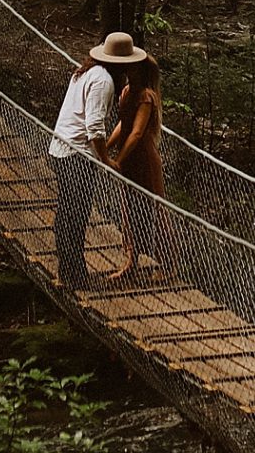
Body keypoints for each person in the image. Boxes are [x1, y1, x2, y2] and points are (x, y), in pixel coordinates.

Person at [47, 30, 145, 293]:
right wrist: (105, 159)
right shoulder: (104, 81)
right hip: (77, 155)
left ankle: (68, 272)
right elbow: (94, 127)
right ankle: (75, 277)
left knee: (67, 214)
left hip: (60, 149)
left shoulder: (84, 72)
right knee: (76, 217)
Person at [106, 52, 169, 285]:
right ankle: (132, 262)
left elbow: (137, 132)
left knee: (153, 207)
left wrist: (118, 159)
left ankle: (167, 263)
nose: (127, 69)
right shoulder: (126, 92)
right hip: (130, 159)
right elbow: (123, 124)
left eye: (132, 67)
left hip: (143, 159)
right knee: (129, 209)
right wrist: (105, 146)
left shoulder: (146, 96)